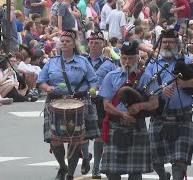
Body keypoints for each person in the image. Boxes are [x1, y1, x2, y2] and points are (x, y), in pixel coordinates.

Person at [37, 29, 100, 180]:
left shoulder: (83, 61)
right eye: (62, 41)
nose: (64, 43)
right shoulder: (51, 62)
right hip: (55, 102)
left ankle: (70, 174)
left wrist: (92, 90)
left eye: (67, 41)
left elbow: (94, 81)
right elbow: (41, 81)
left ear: (74, 45)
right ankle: (62, 167)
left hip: (79, 102)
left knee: (75, 139)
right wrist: (47, 88)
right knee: (54, 139)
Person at [145, 29, 193, 180]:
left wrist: (184, 83)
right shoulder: (152, 64)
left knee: (179, 161)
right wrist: (159, 90)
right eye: (164, 42)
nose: (167, 45)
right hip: (159, 117)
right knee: (155, 159)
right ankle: (163, 176)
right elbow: (145, 86)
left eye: (170, 42)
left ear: (177, 44)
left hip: (182, 117)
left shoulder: (187, 61)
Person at [98, 40, 159, 180]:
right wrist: (122, 114)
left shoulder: (146, 77)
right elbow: (106, 104)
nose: (127, 62)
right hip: (115, 124)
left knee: (135, 172)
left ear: (137, 59)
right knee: (111, 171)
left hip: (136, 126)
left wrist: (140, 106)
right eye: (124, 58)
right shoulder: (111, 77)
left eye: (131, 58)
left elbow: (155, 103)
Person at [81, 30, 116, 179]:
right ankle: (86, 158)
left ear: (103, 45)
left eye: (97, 43)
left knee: (100, 135)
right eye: (91, 43)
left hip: (100, 101)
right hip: (83, 100)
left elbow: (115, 82)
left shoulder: (109, 64)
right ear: (88, 45)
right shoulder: (81, 61)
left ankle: (96, 167)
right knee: (80, 134)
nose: (94, 45)